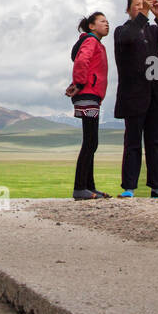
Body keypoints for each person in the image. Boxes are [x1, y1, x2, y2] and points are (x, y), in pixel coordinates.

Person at [113, 0, 158, 198]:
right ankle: (129, 188)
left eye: (145, 5)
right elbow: (129, 37)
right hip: (133, 96)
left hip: (155, 95)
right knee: (133, 142)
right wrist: (143, 14)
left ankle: (157, 187)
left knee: (156, 141)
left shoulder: (152, 30)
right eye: (137, 5)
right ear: (128, 10)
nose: (142, 8)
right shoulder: (122, 30)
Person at [67, 12, 111, 200]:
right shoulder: (91, 41)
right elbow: (82, 61)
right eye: (102, 21)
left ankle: (89, 187)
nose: (107, 24)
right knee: (90, 142)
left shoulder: (95, 42)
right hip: (87, 93)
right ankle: (80, 188)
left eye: (107, 21)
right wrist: (79, 82)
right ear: (92, 26)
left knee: (91, 141)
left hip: (90, 94)